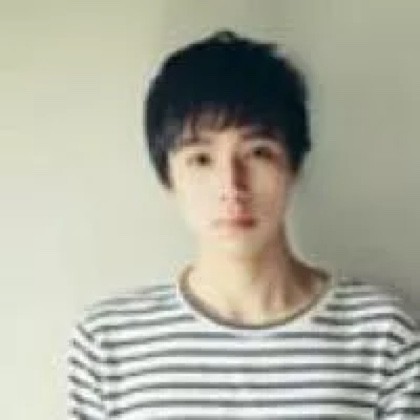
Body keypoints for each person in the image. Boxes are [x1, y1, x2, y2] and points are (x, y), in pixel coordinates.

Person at [67, 30, 420, 419]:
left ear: (294, 166)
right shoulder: (108, 341)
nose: (232, 187)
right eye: (201, 160)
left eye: (258, 153)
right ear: (168, 179)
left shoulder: (381, 333)